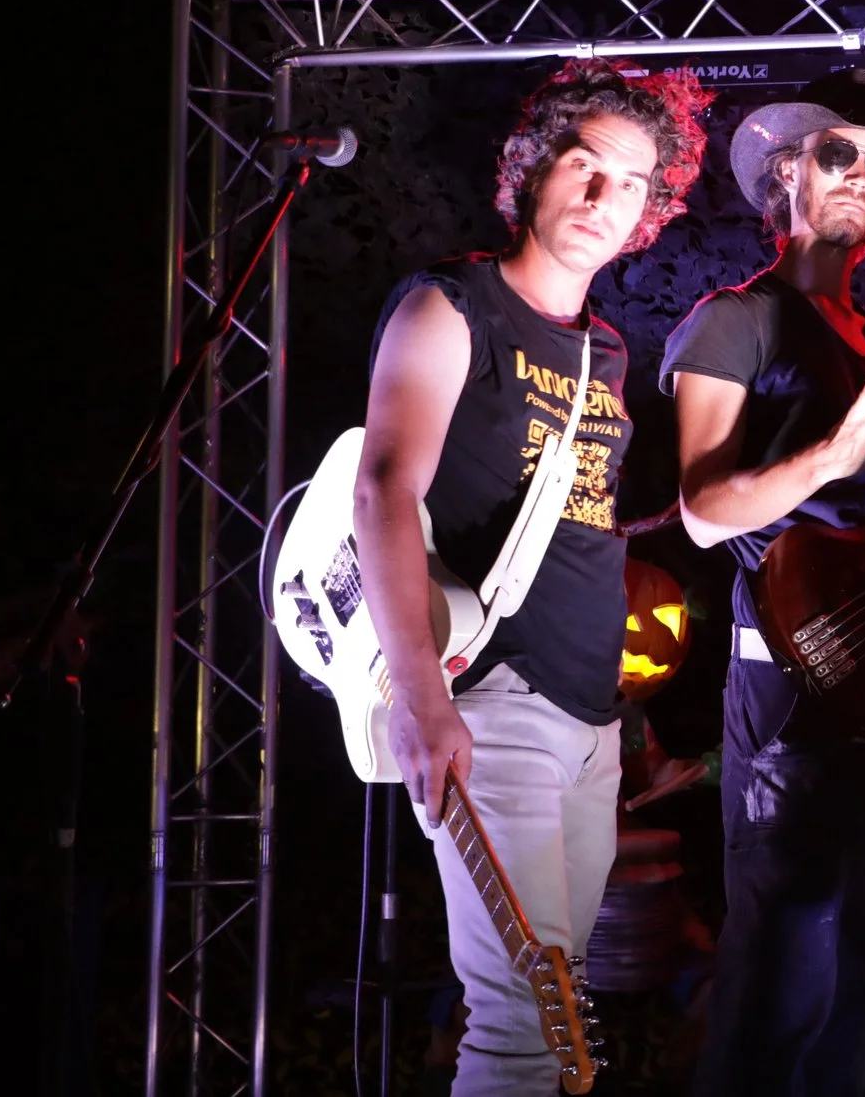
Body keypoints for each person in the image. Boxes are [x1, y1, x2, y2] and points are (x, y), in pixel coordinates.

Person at [354, 59, 708, 1094]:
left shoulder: (606, 348)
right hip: (490, 696)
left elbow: (586, 533)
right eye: (584, 165)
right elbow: (382, 490)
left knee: (556, 1029)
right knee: (524, 1015)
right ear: (532, 167)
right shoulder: (450, 305)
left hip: (592, 719)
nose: (605, 198)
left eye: (634, 182)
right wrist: (422, 698)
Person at [663, 70, 865, 1096]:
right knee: (782, 965)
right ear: (786, 172)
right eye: (841, 153)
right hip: (790, 686)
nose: (864, 176)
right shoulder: (732, 322)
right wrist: (824, 462)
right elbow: (701, 509)